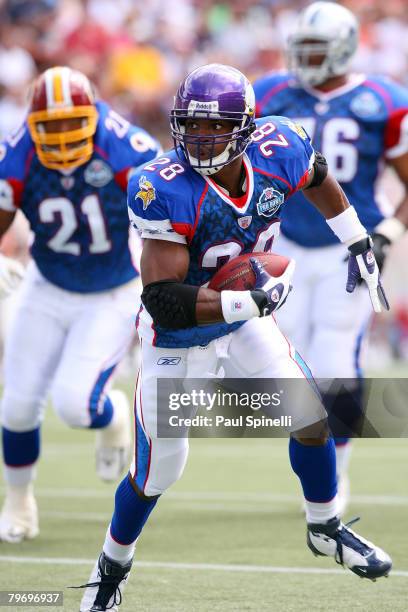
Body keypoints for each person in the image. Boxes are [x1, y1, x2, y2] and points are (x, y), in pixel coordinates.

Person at [76, 63, 392, 611]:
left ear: (246, 127)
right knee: (157, 474)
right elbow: (163, 301)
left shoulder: (281, 146)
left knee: (312, 416)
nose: (201, 138)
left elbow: (317, 179)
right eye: (191, 126)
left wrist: (357, 239)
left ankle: (324, 525)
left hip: (244, 320)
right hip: (178, 338)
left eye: (216, 127)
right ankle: (111, 566)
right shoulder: (163, 186)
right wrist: (250, 300)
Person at [253, 1, 408, 514]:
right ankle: (315, 465)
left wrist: (386, 231)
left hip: (349, 245)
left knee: (336, 362)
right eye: (302, 47)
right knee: (281, 364)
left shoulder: (383, 100)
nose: (306, 58)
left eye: (316, 48)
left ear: (342, 48)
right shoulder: (273, 92)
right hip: (287, 243)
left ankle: (334, 476)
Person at [0, 66, 161, 543]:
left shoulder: (126, 150)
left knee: (74, 405)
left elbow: (166, 219)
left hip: (112, 288)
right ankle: (19, 500)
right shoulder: (17, 154)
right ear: (32, 124)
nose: (62, 135)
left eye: (71, 123)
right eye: (50, 126)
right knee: (17, 405)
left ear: (93, 116)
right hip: (47, 283)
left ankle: (112, 418)